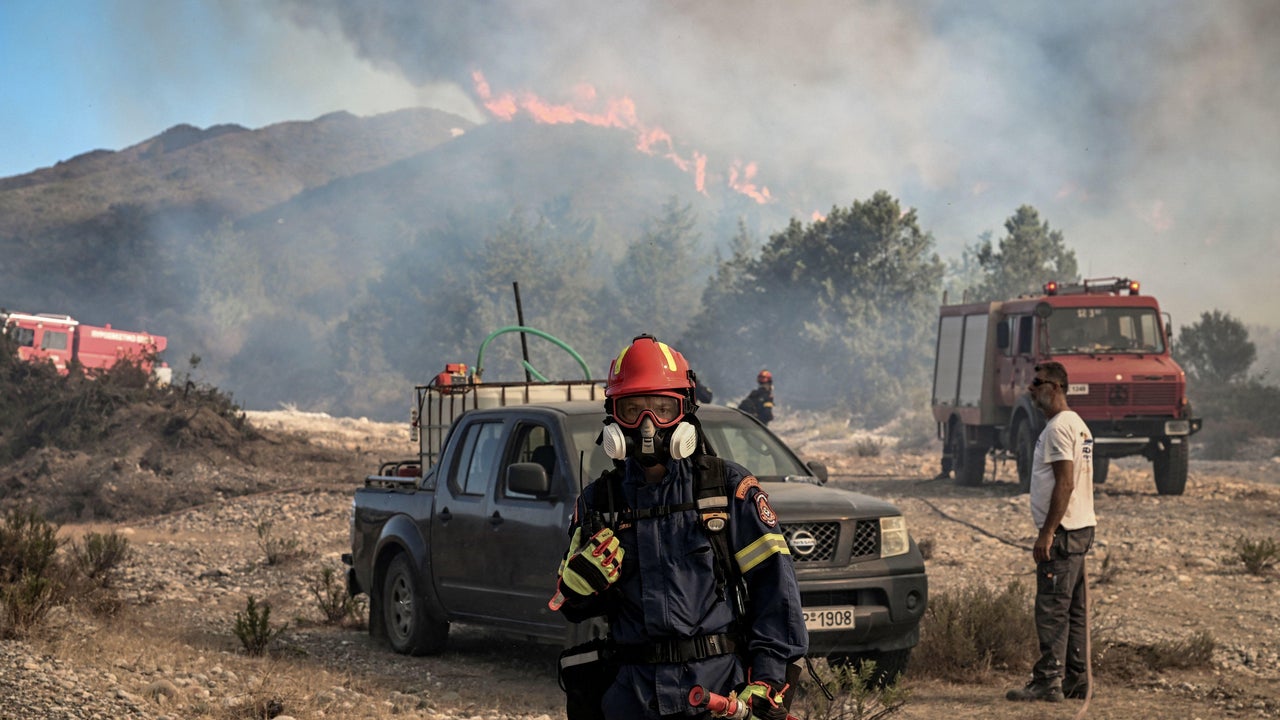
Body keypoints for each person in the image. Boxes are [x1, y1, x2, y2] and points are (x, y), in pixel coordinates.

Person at [550, 335, 807, 720]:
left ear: (685, 410)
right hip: (630, 697)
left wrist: (767, 683)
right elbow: (572, 607)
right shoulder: (597, 503)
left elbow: (776, 593)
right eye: (632, 409)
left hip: (716, 694)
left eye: (662, 408)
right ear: (613, 417)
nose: (647, 424)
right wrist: (576, 587)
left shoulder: (727, 492)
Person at [1007, 361, 1097, 703]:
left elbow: (1066, 482)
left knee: (1051, 609)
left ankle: (1047, 681)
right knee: (1073, 609)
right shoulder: (1078, 425)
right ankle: (1076, 679)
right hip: (1080, 530)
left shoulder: (1060, 427)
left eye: (1038, 383)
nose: (1031, 389)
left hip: (1063, 533)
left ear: (1056, 387)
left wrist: (1047, 533)